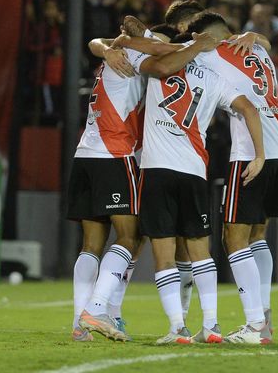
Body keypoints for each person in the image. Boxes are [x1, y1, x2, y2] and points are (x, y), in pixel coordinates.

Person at [120, 18, 265, 345]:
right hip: (194, 172)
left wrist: (141, 31)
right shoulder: (214, 78)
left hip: (157, 169)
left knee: (164, 252)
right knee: (201, 252)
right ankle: (211, 326)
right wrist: (260, 154)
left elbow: (138, 40)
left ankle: (177, 328)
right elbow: (249, 109)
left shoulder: (163, 63)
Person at [186, 11, 278, 344]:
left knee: (233, 238)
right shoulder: (257, 51)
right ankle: (264, 316)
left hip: (250, 153)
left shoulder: (211, 51)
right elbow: (265, 41)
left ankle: (255, 325)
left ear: (208, 36)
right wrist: (256, 34)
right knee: (257, 236)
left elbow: (167, 49)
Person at [67, 18, 175, 343]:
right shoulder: (131, 54)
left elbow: (97, 42)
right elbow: (162, 57)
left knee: (91, 245)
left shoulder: (114, 53)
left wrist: (105, 47)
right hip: (114, 155)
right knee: (130, 236)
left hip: (85, 154)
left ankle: (81, 322)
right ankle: (99, 309)